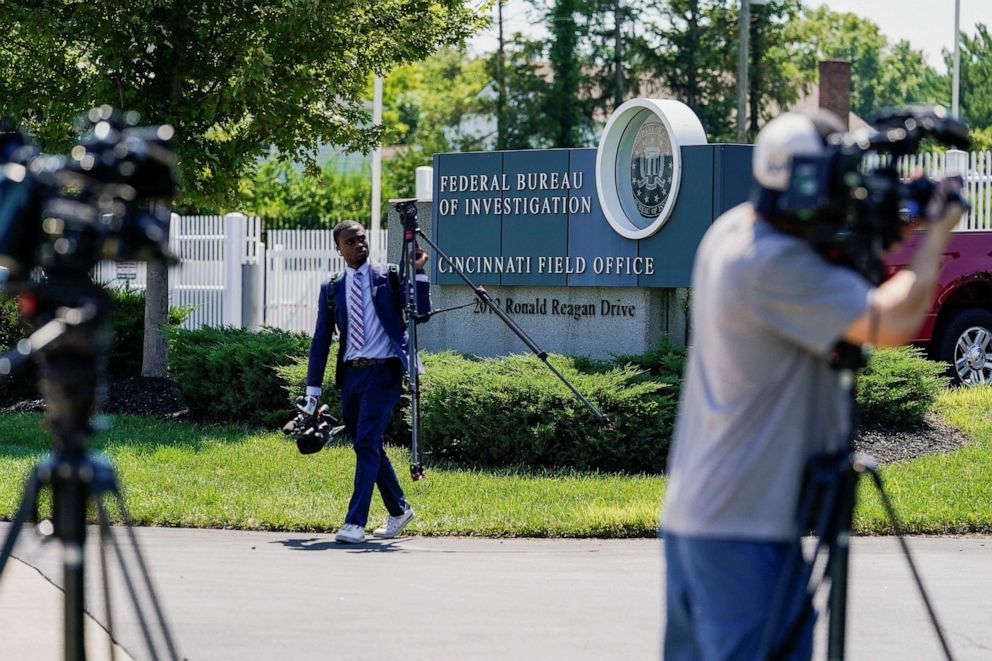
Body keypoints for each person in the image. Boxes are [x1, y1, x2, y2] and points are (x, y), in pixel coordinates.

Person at [660, 110, 967, 660]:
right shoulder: (772, 265)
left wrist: (897, 216)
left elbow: (830, 243)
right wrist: (936, 235)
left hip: (704, 520)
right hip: (743, 532)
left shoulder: (734, 232)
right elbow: (889, 322)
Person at [304, 219, 431, 544]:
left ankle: (354, 523)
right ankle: (399, 509)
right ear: (339, 249)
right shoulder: (332, 288)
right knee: (369, 442)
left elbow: (421, 312)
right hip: (352, 374)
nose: (358, 245)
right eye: (351, 241)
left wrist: (417, 272)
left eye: (361, 239)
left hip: (385, 370)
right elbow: (321, 339)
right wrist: (312, 391)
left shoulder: (387, 276)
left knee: (365, 441)